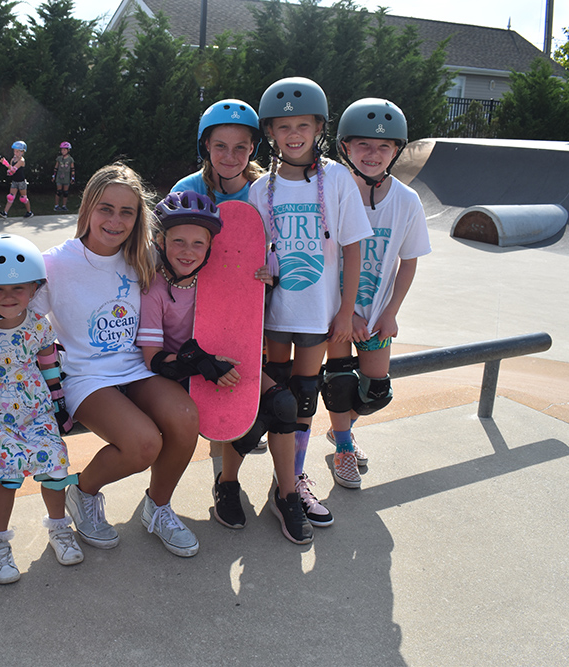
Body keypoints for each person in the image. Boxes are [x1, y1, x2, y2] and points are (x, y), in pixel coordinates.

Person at [228, 77, 373, 543]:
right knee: (277, 402)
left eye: (303, 125)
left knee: (306, 399)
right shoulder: (257, 191)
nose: (294, 134)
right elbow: (254, 260)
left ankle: (288, 483)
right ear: (270, 132)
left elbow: (354, 250)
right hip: (274, 316)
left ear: (318, 128)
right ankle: (279, 488)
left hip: (318, 314)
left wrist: (346, 311)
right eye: (284, 126)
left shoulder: (337, 180)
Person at [32, 162, 201, 558]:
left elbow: (198, 263)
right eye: (106, 208)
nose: (115, 219)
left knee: (185, 416)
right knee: (144, 445)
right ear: (88, 207)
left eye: (127, 211)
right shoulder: (53, 263)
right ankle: (84, 492)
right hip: (85, 376)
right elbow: (13, 310)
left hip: (136, 367)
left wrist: (263, 273)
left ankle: (157, 508)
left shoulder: (144, 256)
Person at [0, 233, 84, 584]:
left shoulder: (40, 327)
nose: (9, 297)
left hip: (37, 413)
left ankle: (59, 528)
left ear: (34, 289)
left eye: (19, 289)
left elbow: (50, 369)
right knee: (8, 477)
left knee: (56, 469)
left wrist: (59, 405)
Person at [322, 98, 431, 489]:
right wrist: (345, 312)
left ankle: (340, 432)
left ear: (397, 150)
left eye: (384, 147)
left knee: (374, 391)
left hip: (377, 311)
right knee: (338, 383)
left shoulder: (406, 201)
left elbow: (410, 261)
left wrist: (392, 312)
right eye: (363, 145)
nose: (373, 154)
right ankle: (345, 448)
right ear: (345, 148)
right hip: (335, 311)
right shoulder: (331, 192)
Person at [136, 190, 240, 391]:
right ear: (160, 241)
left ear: (209, 246)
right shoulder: (153, 290)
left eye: (198, 243)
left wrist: (267, 279)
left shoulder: (216, 280)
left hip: (223, 363)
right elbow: (153, 359)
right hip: (182, 374)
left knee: (282, 403)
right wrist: (200, 361)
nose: (188, 251)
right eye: (178, 241)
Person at [171, 99, 265, 204]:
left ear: (251, 149)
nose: (230, 157)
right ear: (207, 145)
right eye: (220, 146)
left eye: (240, 147)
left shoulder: (265, 192)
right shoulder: (185, 191)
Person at [0, 140, 34, 219]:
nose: (15, 153)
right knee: (11, 197)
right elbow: (11, 171)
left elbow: (14, 169)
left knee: (23, 198)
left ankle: (29, 212)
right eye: (15, 151)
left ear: (22, 152)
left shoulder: (21, 160)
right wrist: (9, 171)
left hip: (21, 182)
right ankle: (5, 213)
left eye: (17, 151)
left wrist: (5, 164)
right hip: (14, 181)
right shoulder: (12, 159)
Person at [53, 141, 75, 211]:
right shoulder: (59, 158)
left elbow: (72, 168)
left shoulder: (70, 159)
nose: (63, 151)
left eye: (65, 150)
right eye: (62, 149)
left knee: (65, 192)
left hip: (66, 177)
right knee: (58, 191)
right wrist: (53, 176)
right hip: (59, 176)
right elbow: (56, 167)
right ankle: (56, 206)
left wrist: (73, 177)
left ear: (68, 150)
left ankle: (64, 206)